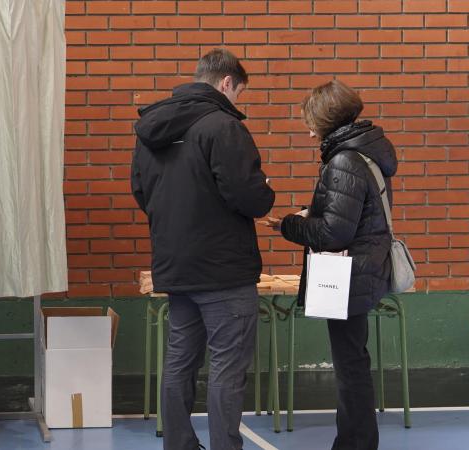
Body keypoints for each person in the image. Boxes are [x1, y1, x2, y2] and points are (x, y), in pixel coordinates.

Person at [132, 48, 275, 450]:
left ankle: (178, 445)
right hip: (224, 270)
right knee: (227, 369)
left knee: (179, 362)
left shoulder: (150, 128)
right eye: (240, 92)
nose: (238, 102)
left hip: (175, 265)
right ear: (227, 82)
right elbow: (248, 196)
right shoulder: (223, 127)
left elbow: (142, 192)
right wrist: (264, 191)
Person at [264, 80, 398, 450]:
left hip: (349, 274)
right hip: (366, 267)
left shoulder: (344, 160)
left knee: (351, 367)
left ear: (327, 120)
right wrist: (312, 212)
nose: (308, 131)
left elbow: (334, 234)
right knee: (354, 361)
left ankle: (355, 444)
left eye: (312, 122)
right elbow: (353, 214)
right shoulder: (366, 153)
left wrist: (291, 224)